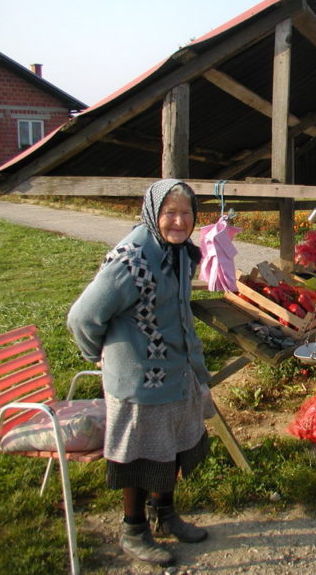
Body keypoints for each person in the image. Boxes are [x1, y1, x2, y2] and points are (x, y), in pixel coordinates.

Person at [67, 179, 215, 566]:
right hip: (139, 382)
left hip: (176, 373)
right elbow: (82, 316)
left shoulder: (180, 254)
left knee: (169, 449)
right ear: (152, 214)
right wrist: (95, 354)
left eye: (186, 213)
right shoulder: (130, 260)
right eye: (170, 213)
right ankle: (134, 529)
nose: (179, 221)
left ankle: (164, 515)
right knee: (138, 456)